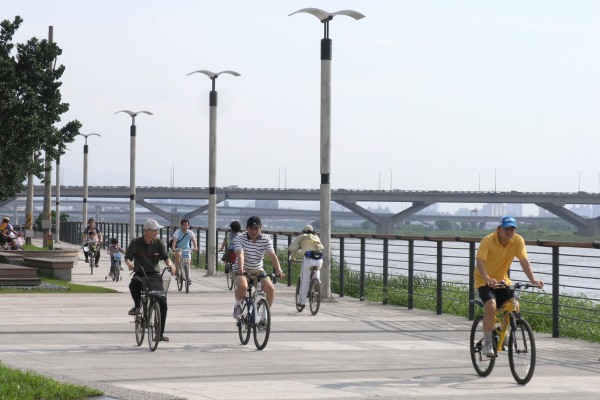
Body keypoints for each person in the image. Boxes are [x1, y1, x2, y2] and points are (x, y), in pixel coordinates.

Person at [475, 216, 544, 357]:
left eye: (512, 228)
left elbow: (524, 261)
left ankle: (502, 331)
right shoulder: (488, 240)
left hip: (502, 281)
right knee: (491, 306)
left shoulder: (518, 240)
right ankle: (487, 344)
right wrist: (487, 277)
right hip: (483, 280)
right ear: (498, 229)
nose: (509, 231)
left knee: (514, 305)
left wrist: (533, 279)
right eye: (506, 228)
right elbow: (480, 261)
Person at [125, 219, 175, 342]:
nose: (156, 232)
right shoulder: (136, 242)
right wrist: (130, 264)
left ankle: (160, 333)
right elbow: (128, 257)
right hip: (140, 272)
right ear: (146, 231)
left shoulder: (159, 243)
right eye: (154, 230)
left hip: (155, 275)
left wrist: (170, 265)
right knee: (134, 284)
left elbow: (166, 257)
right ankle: (137, 306)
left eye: (157, 230)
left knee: (163, 302)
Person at [232, 216, 285, 319]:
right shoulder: (239, 238)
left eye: (256, 228)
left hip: (258, 270)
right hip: (242, 270)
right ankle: (238, 304)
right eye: (251, 228)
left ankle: (265, 315)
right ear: (247, 228)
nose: (254, 231)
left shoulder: (266, 239)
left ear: (261, 228)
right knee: (242, 286)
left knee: (270, 289)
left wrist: (278, 270)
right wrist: (240, 269)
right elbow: (240, 254)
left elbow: (272, 255)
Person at [288, 224, 325, 311]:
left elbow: (293, 249)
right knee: (316, 271)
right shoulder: (316, 237)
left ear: (303, 231)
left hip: (308, 260)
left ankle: (302, 302)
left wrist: (293, 258)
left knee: (304, 280)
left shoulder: (302, 237)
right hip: (319, 260)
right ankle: (317, 285)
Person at [171, 218, 198, 284]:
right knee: (178, 254)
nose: (185, 227)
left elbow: (194, 240)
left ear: (188, 226)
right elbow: (174, 242)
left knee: (188, 261)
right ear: (181, 225)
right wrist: (173, 248)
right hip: (179, 248)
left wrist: (196, 247)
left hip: (187, 249)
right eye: (184, 225)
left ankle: (188, 277)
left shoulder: (190, 232)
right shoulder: (177, 232)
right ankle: (177, 270)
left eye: (186, 225)